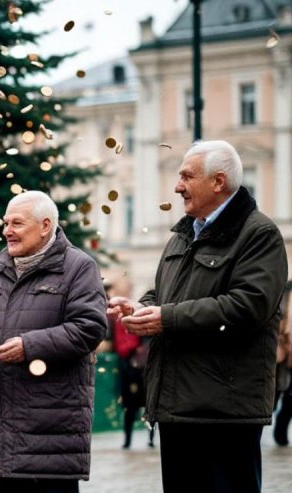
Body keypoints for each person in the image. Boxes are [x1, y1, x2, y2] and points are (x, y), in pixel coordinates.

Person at [108, 140, 288, 493]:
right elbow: (163, 295)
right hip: (177, 405)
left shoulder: (259, 234)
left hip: (224, 409)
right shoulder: (182, 233)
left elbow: (248, 307)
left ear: (218, 182)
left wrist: (166, 318)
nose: (177, 187)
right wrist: (141, 308)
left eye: (186, 177)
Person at [0, 191, 107, 493]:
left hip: (53, 429)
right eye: (5, 223)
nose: (7, 231)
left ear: (45, 226)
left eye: (16, 223)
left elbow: (90, 327)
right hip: (3, 427)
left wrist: (29, 346)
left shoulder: (79, 267)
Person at [106, 277, 154, 449]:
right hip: (125, 363)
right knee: (129, 405)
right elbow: (110, 339)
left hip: (140, 365)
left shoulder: (138, 308)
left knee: (147, 404)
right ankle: (128, 440)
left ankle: (149, 438)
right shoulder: (113, 317)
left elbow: (147, 336)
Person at [273, 282, 292, 446]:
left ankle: (281, 432)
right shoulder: (286, 289)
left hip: (286, 347)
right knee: (277, 389)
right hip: (282, 348)